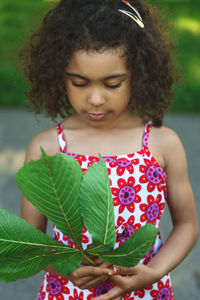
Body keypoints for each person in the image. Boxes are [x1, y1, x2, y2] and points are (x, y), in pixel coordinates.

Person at [19, 0, 199, 299]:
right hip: (69, 291)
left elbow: (188, 225)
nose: (96, 99)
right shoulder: (47, 148)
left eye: (112, 84)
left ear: (139, 74)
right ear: (58, 75)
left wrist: (154, 271)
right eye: (79, 83)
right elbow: (32, 238)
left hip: (146, 290)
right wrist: (64, 267)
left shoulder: (162, 144)